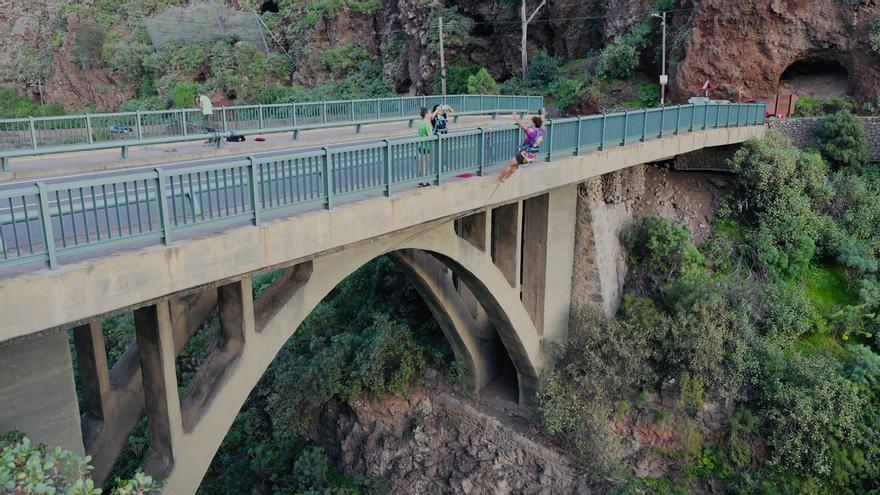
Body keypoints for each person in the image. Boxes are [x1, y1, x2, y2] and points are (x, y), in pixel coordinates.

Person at [497, 109, 547, 183]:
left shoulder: (531, 132)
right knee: (514, 165)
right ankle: (505, 178)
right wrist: (542, 115)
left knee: (509, 164)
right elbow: (542, 123)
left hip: (524, 156)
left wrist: (515, 117)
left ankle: (500, 178)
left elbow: (522, 126)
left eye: (531, 122)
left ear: (533, 124)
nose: (530, 123)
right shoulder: (542, 131)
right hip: (531, 158)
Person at [417, 106, 434, 187]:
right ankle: (423, 182)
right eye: (429, 113)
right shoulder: (426, 123)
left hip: (421, 146)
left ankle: (421, 181)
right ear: (426, 114)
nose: (430, 114)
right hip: (425, 147)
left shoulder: (422, 122)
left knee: (422, 164)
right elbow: (430, 135)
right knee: (425, 165)